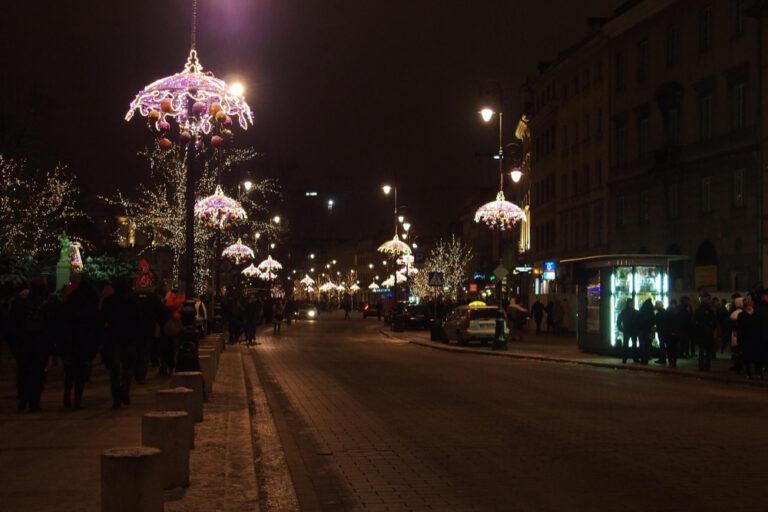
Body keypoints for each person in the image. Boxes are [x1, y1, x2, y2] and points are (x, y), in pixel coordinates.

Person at [7, 279, 53, 412]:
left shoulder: (20, 303)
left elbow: (12, 326)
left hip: (24, 344)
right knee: (38, 373)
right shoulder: (45, 304)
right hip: (39, 344)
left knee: (23, 372)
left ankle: (23, 399)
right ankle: (34, 402)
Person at [60, 278, 102, 409]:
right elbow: (95, 328)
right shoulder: (90, 308)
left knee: (69, 373)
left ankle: (67, 396)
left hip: (70, 344)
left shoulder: (69, 304)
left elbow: (61, 325)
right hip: (83, 344)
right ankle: (77, 400)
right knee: (80, 374)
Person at [101, 279, 141, 409]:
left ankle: (116, 397)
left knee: (114, 371)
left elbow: (102, 319)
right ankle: (124, 390)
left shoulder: (109, 302)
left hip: (114, 339)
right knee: (128, 368)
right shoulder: (132, 301)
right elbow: (137, 320)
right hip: (128, 338)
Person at [134, 286, 163, 384]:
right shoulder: (153, 297)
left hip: (135, 329)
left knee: (137, 352)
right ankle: (141, 375)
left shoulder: (133, 296)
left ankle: (136, 373)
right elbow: (160, 311)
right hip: (148, 329)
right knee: (144, 353)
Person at [739, 294, 764, 379]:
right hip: (747, 338)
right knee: (747, 357)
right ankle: (748, 373)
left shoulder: (758, 314)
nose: (749, 302)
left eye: (750, 300)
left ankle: (759, 373)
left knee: (758, 356)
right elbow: (740, 328)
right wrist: (740, 339)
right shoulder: (742, 315)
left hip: (757, 338)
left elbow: (761, 326)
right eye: (747, 300)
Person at [692, 294, 717, 371]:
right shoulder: (709, 310)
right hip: (706, 332)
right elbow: (714, 321)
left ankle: (702, 366)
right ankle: (706, 366)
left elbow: (694, 321)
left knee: (703, 350)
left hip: (702, 333)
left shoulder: (699, 310)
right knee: (706, 351)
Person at [617, 299, 638, 364]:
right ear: (629, 303)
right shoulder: (635, 312)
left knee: (626, 345)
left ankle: (625, 359)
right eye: (632, 303)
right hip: (632, 330)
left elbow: (619, 320)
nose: (632, 304)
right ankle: (634, 358)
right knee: (633, 344)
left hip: (627, 330)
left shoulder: (624, 311)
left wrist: (620, 327)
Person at [729, 295, 744, 375]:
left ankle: (737, 366)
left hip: (735, 334)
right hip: (739, 334)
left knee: (736, 351)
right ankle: (739, 366)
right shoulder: (742, 312)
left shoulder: (734, 313)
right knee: (739, 351)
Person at [636, 299, 655, 365]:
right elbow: (653, 321)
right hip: (648, 330)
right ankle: (647, 358)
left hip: (641, 330)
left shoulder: (641, 310)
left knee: (642, 345)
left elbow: (638, 320)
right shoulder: (651, 311)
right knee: (647, 344)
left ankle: (643, 358)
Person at [653, 301, 669, 365]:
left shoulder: (658, 313)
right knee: (665, 344)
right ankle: (665, 357)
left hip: (661, 331)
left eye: (656, 305)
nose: (655, 306)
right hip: (666, 331)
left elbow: (655, 321)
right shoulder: (665, 312)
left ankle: (662, 358)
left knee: (662, 344)